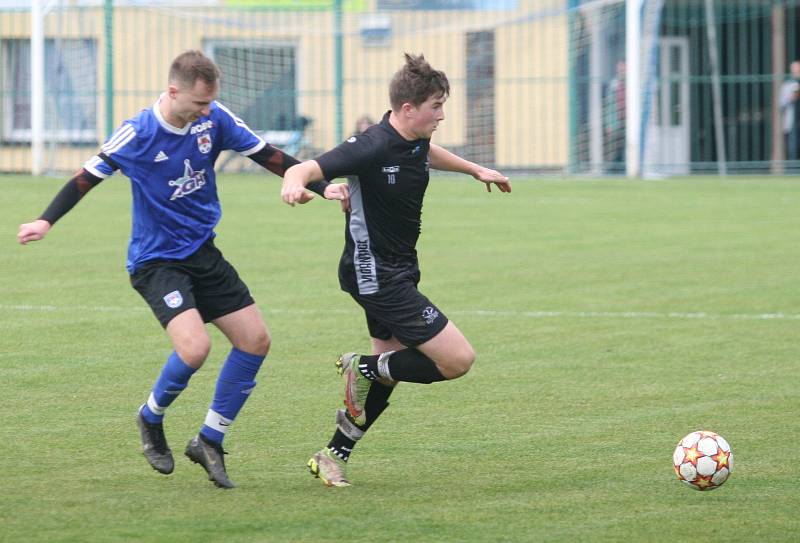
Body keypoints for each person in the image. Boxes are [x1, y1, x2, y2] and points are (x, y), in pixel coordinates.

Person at [17, 50, 346, 489]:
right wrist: (45, 220)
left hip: (203, 253)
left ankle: (209, 439)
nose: (206, 112)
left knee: (255, 340)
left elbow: (268, 155)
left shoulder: (215, 119)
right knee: (194, 349)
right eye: (199, 104)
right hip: (156, 263)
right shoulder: (137, 133)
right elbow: (85, 177)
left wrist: (320, 187)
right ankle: (150, 417)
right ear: (173, 92)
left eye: (211, 103)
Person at [281, 53, 511, 487]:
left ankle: (333, 455)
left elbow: (426, 152)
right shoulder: (371, 145)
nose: (442, 115)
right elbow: (307, 167)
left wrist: (474, 169)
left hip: (397, 268)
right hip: (375, 273)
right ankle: (361, 367)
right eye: (436, 106)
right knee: (456, 360)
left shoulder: (413, 137)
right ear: (408, 109)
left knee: (389, 369)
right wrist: (295, 184)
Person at [604, 60, 626, 173]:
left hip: (626, 121)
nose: (622, 71)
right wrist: (609, 124)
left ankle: (623, 168)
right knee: (613, 147)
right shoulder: (613, 85)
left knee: (624, 146)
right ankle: (610, 170)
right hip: (615, 121)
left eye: (624, 68)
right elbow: (608, 107)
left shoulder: (631, 84)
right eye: (620, 68)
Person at [780, 60, 800, 162]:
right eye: (794, 68)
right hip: (793, 119)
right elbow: (782, 102)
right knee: (793, 144)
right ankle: (793, 167)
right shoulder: (788, 84)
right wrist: (792, 97)